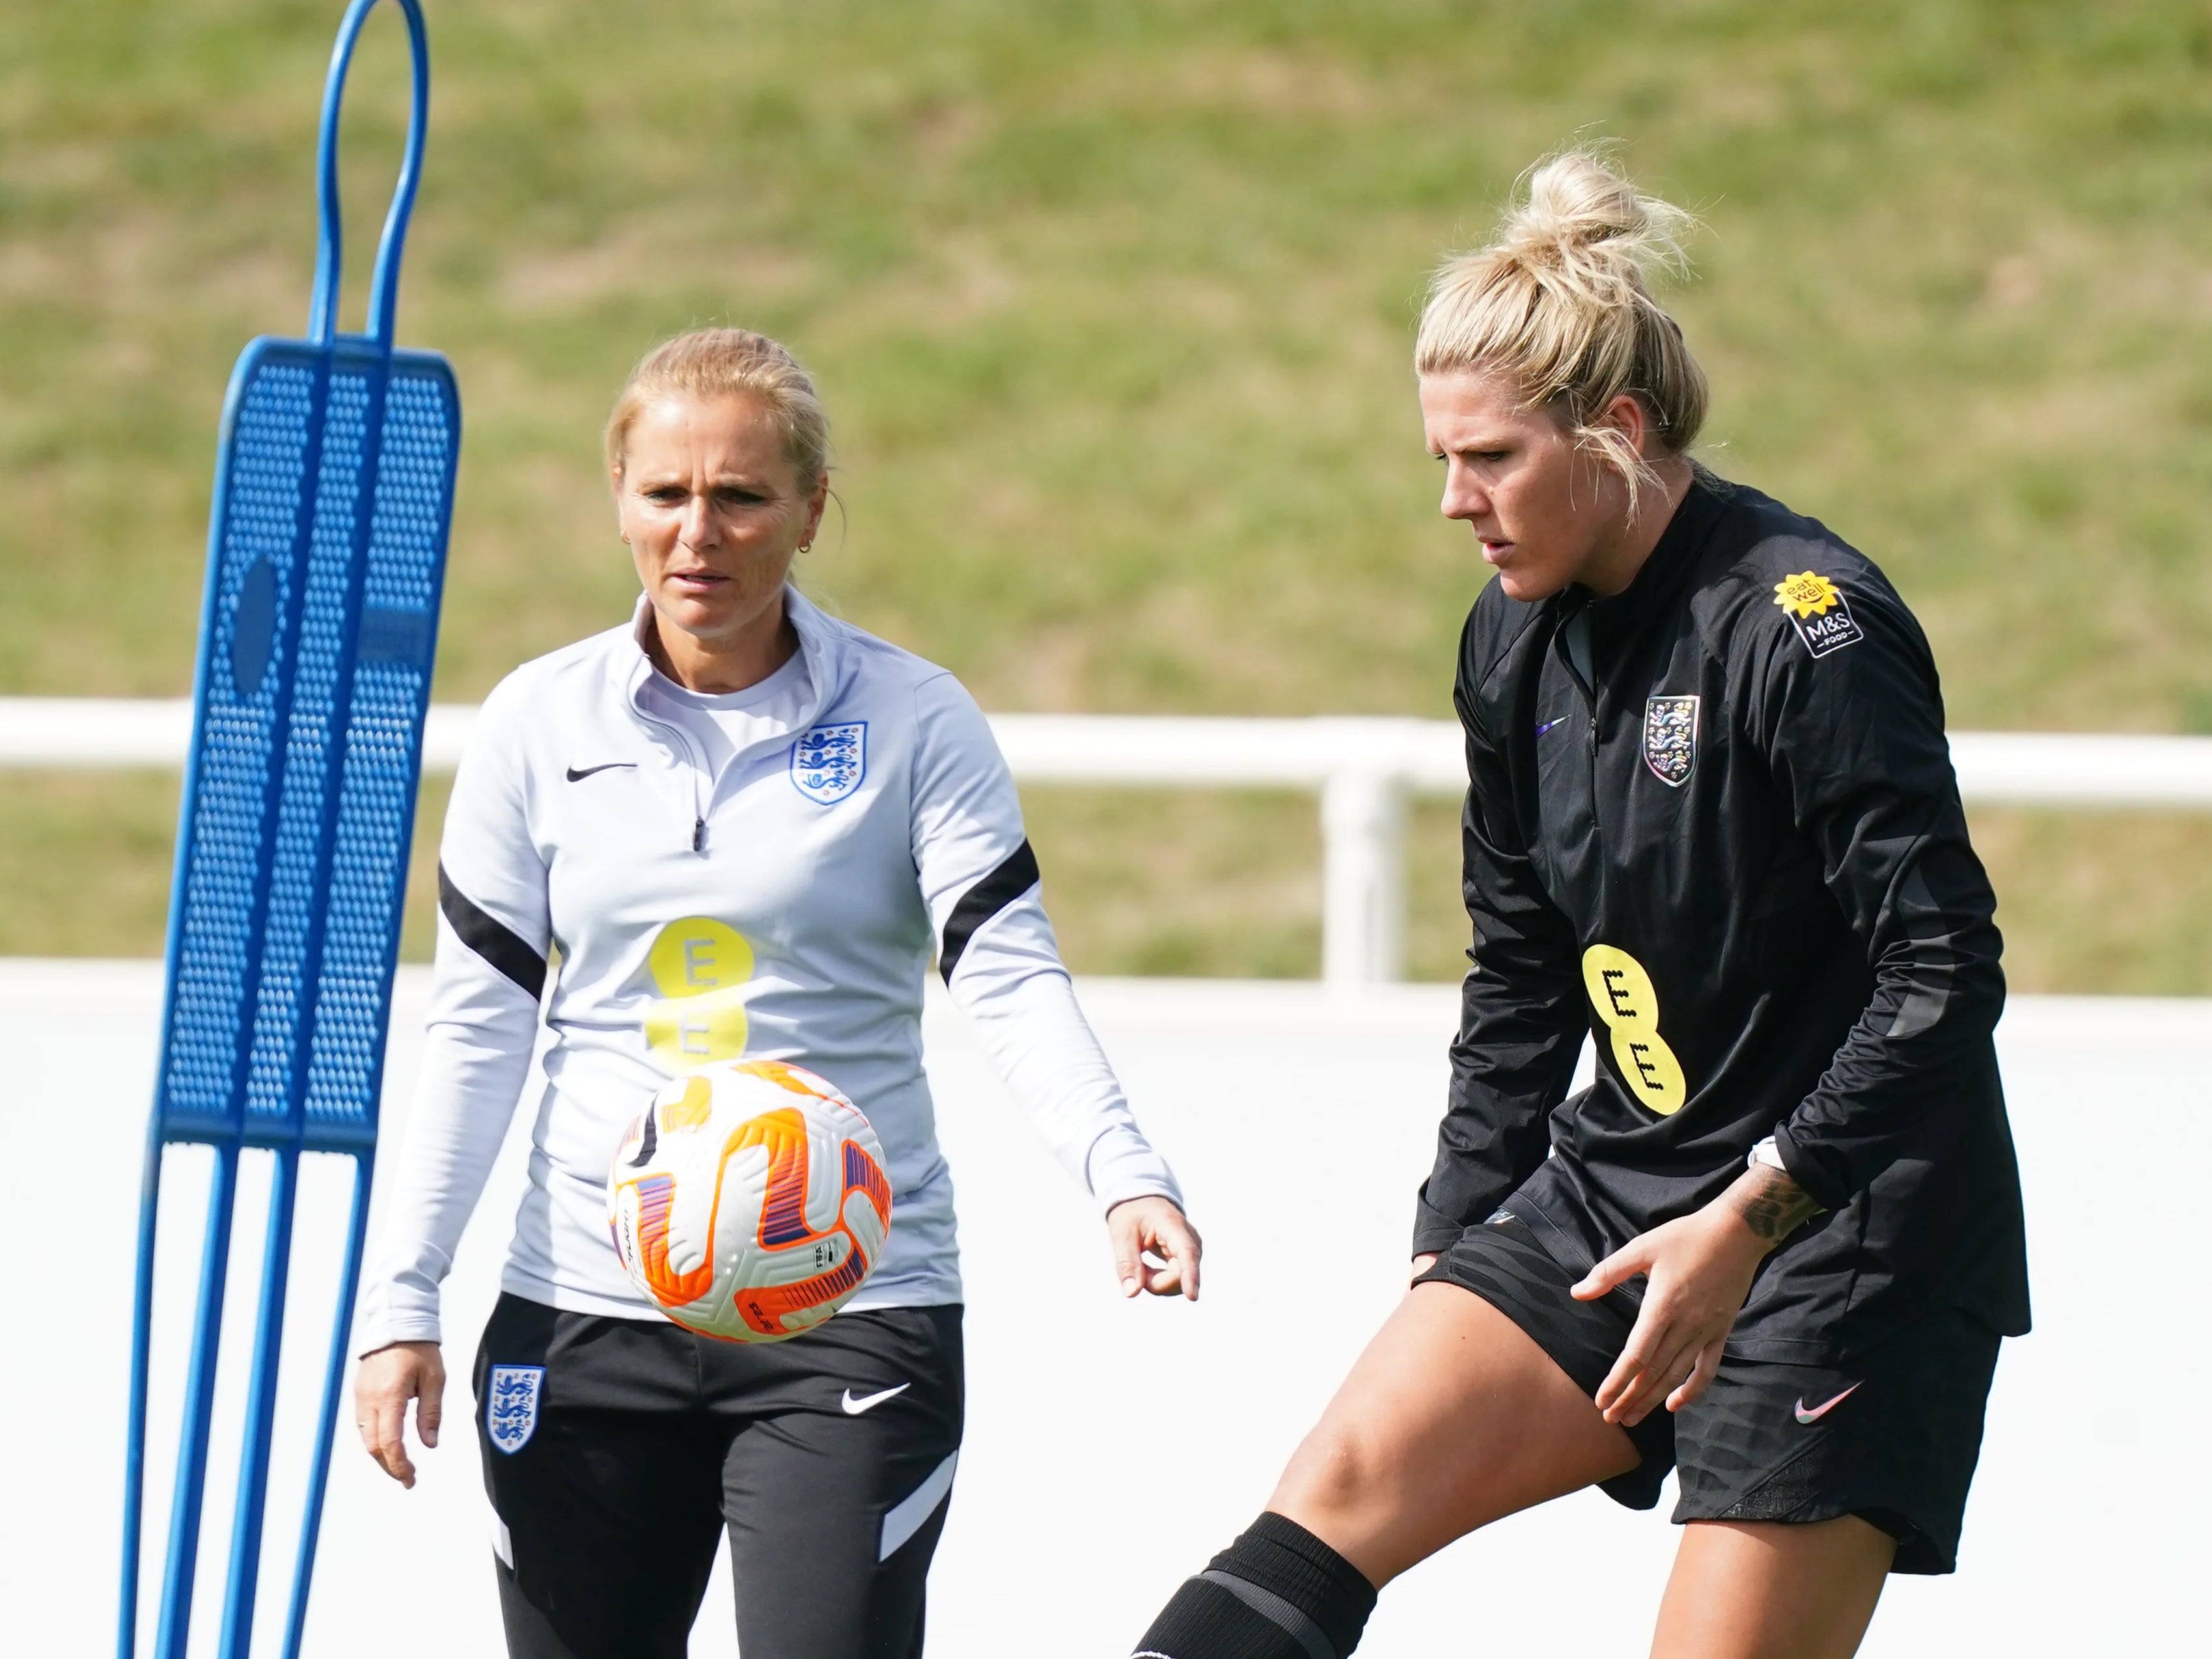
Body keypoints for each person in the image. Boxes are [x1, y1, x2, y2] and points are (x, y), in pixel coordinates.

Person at [1132, 150, 2028, 1659]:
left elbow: (1942, 973)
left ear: (1613, 432)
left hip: (1844, 1233)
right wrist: (1458, 1231)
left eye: (1487, 460)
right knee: (1325, 1500)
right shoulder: (1510, 637)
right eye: (1439, 459)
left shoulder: (1802, 629)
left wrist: (1752, 1215)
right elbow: (1520, 972)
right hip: (1620, 1186)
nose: (1451, 504)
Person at [350, 327, 1203, 1659]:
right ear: (619, 499)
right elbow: (476, 1027)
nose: (702, 532)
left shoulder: (919, 721)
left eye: (743, 496)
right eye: (667, 494)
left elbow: (1008, 969)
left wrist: (1122, 1169)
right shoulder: (533, 722)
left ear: (810, 511)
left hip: (851, 1321)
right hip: (582, 1309)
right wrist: (401, 1296)